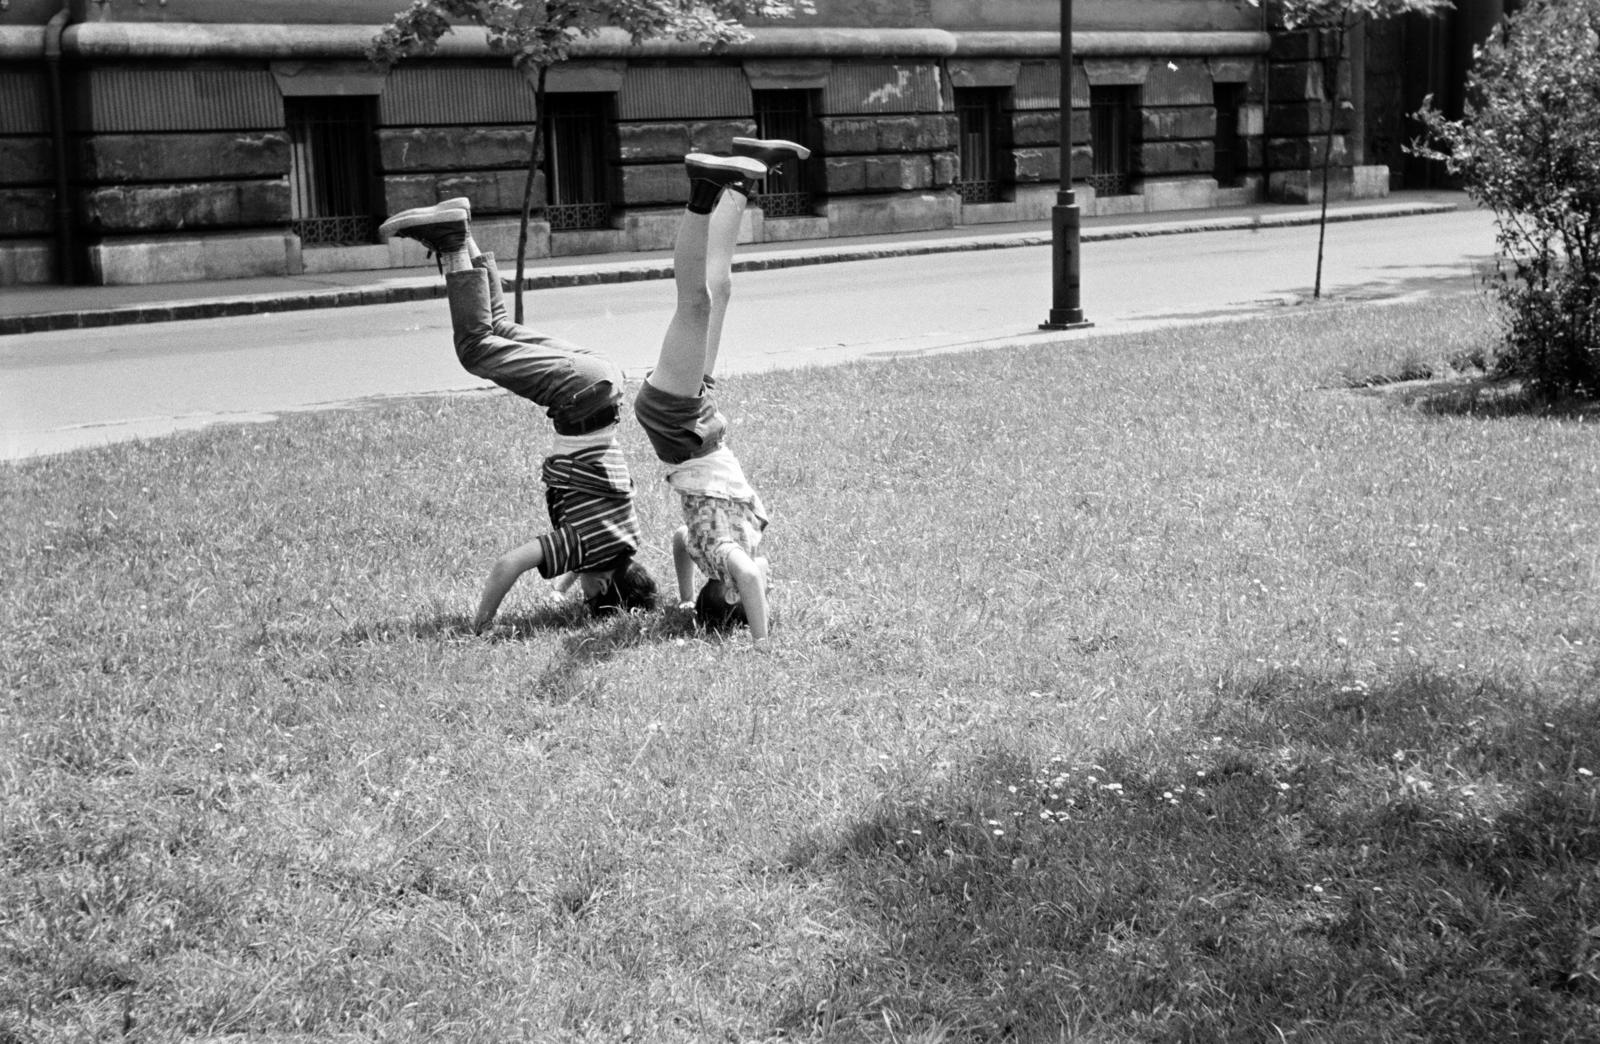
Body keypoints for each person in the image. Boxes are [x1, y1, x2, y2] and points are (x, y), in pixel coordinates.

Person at [377, 198, 657, 633]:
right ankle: (451, 242)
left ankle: (463, 231)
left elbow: (586, 554)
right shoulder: (586, 550)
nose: (580, 596)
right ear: (601, 590)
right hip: (577, 395)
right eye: (588, 599)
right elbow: (509, 564)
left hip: (605, 379)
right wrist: (481, 625)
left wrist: (559, 589)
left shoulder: (622, 540)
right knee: (474, 347)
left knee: (500, 329)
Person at [632, 138, 811, 641]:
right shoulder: (716, 548)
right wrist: (686, 597)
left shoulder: (730, 560)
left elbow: (751, 576)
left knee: (695, 304)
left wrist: (762, 644)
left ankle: (702, 191)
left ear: (731, 593)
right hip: (695, 420)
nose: (766, 586)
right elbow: (677, 537)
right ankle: (742, 181)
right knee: (720, 291)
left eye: (759, 598)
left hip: (677, 422)